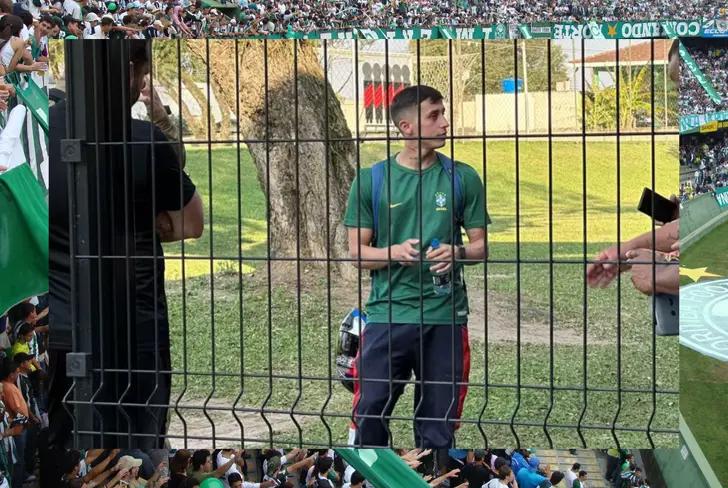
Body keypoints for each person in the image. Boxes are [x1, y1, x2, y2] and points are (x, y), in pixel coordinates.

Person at [48, 39, 203, 449]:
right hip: (136, 325)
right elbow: (191, 223)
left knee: (61, 448)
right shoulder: (145, 141)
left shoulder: (39, 129)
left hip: (60, 322)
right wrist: (141, 222)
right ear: (133, 72)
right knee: (137, 451)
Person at [345, 84, 489, 448]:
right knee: (370, 414)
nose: (445, 123)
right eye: (434, 115)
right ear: (407, 127)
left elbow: (480, 247)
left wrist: (458, 252)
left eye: (443, 113)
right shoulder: (371, 181)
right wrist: (393, 251)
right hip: (387, 315)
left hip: (445, 317)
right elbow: (357, 254)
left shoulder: (463, 177)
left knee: (437, 428)